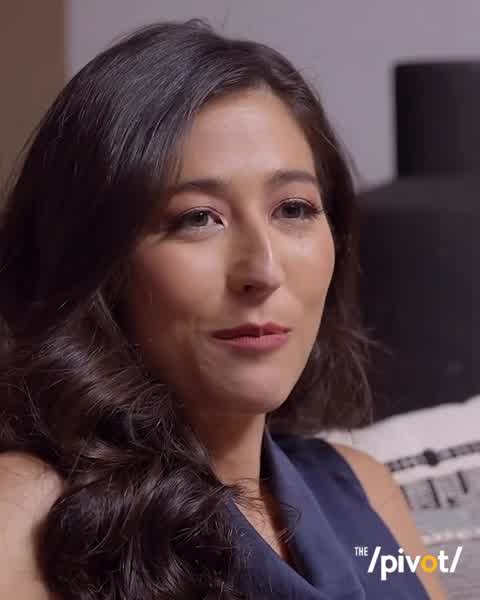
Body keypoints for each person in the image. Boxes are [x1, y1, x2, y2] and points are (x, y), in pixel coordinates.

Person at [0, 19, 446, 600]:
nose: (263, 270)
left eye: (293, 209)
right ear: (97, 261)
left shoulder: (366, 494)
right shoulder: (26, 512)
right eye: (197, 218)